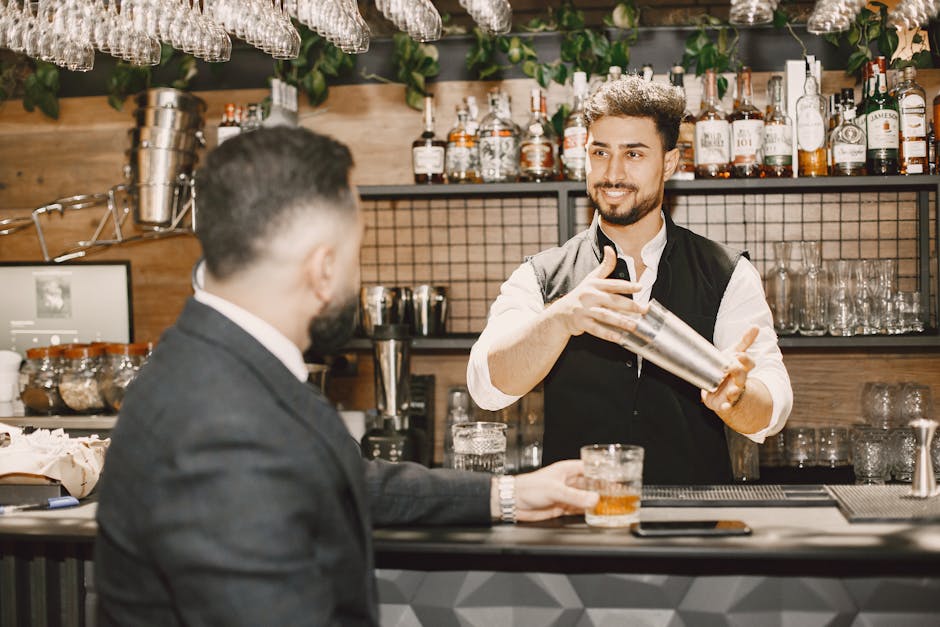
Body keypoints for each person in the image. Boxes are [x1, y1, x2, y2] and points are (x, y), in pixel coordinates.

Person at [94, 128, 598, 626]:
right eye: (357, 251)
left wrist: (507, 494)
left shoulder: (214, 365)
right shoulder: (223, 424)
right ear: (322, 269)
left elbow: (338, 480)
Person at [467, 76, 793, 485]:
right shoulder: (541, 275)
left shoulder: (727, 273)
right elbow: (486, 386)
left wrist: (737, 398)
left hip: (695, 515)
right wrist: (561, 318)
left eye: (634, 154)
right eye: (600, 152)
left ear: (669, 163)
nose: (613, 172)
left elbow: (772, 406)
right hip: (577, 513)